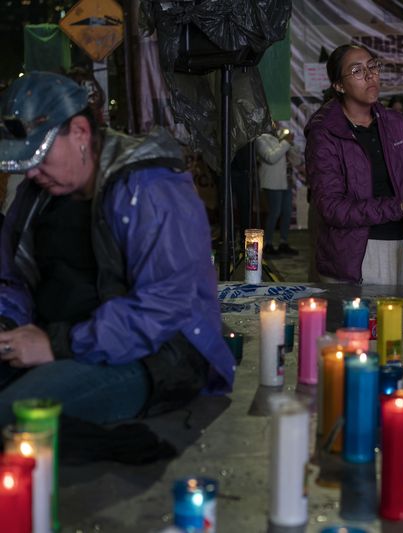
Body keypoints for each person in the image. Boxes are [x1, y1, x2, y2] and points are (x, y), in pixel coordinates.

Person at [0, 72, 234, 427]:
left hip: (155, 353)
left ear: (80, 132)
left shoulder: (150, 186)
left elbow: (163, 304)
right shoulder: (36, 197)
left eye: (39, 155)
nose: (32, 173)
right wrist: (7, 325)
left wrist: (58, 345)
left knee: (15, 413)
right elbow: (12, 279)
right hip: (61, 337)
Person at [304, 44, 403, 284]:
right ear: (339, 85)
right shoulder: (324, 132)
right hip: (354, 256)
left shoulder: (393, 122)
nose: (369, 75)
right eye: (356, 71)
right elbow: (332, 208)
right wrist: (400, 207)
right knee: (357, 322)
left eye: (372, 66)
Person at [255, 122, 299, 256]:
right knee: (275, 212)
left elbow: (295, 159)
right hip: (272, 182)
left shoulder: (280, 137)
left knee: (286, 212)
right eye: (272, 121)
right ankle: (268, 243)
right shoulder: (260, 139)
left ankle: (283, 242)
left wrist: (291, 144)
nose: (276, 124)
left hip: (286, 181)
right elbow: (271, 157)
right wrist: (285, 143)